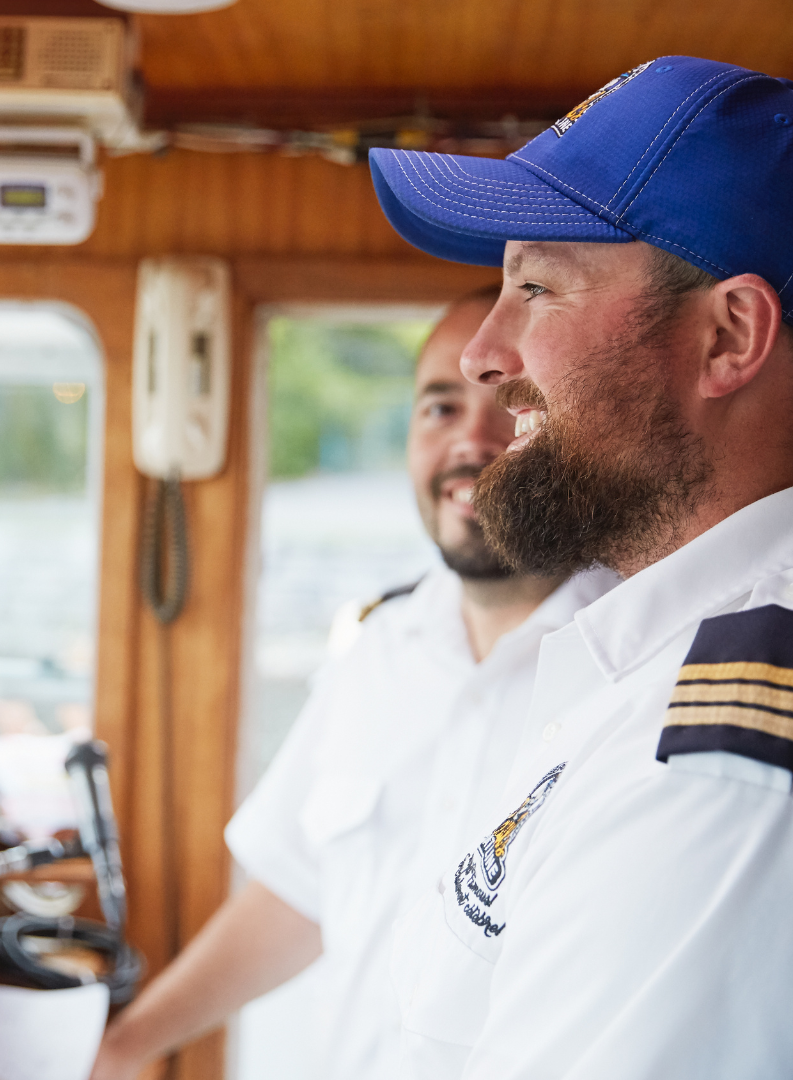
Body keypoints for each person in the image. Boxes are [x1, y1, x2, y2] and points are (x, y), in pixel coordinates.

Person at [368, 55, 793, 1079]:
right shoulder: (646, 658)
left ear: (728, 337)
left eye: (536, 289)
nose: (480, 353)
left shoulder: (719, 760)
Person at [89, 291, 617, 1080]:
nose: (470, 441)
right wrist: (125, 1047)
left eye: (514, 406)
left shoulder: (632, 664)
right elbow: (299, 891)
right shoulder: (378, 650)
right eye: (440, 407)